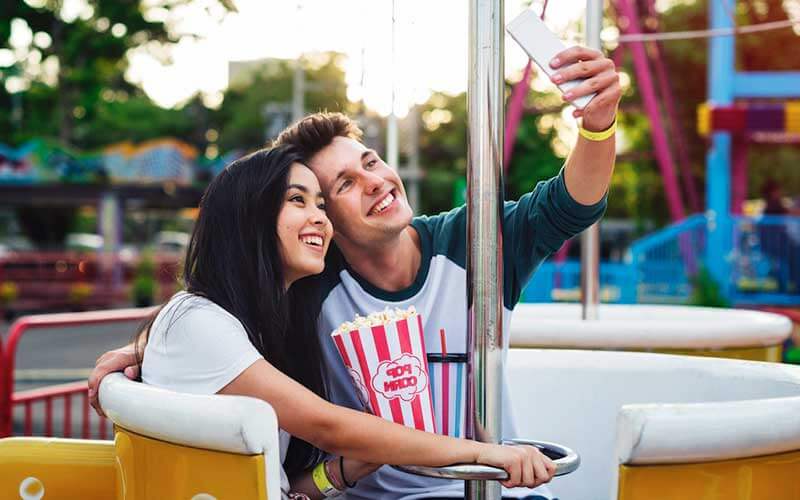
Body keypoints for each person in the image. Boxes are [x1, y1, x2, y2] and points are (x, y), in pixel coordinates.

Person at [91, 44, 620, 499]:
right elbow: (234, 320)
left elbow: (570, 204)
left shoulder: (474, 243)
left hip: (488, 485)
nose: (374, 182)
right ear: (328, 221)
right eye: (340, 187)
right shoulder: (311, 279)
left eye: (369, 162)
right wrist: (147, 348)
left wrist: (597, 126)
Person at [106, 145, 555, 500]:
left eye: (320, 203)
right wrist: (483, 453)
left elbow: (283, 488)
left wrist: (347, 469)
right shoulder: (198, 321)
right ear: (249, 221)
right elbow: (328, 426)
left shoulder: (260, 326)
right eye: (297, 201)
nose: (318, 217)